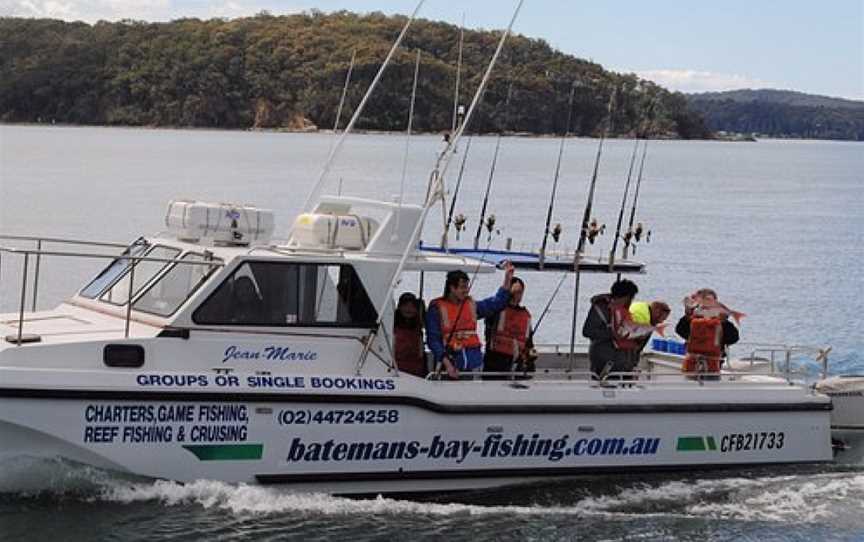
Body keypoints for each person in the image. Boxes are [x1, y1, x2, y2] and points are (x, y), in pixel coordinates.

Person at [426, 262, 514, 379]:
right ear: (452, 288)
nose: (466, 291)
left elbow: (496, 303)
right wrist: (447, 364)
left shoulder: (471, 305)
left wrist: (507, 278)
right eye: (462, 287)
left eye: (467, 287)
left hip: (473, 364)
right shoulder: (436, 309)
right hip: (450, 366)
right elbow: (433, 340)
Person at [583, 279, 660, 377]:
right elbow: (588, 331)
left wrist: (639, 337)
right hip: (605, 361)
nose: (630, 301)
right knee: (606, 388)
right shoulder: (601, 309)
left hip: (626, 362)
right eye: (630, 298)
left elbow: (629, 335)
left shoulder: (625, 311)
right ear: (626, 297)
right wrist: (613, 334)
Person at [676, 288, 740, 375]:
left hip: (714, 364)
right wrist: (687, 316)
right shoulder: (693, 319)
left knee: (711, 382)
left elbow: (733, 338)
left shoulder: (721, 322)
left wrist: (724, 322)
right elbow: (680, 330)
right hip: (692, 362)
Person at [483, 276, 537, 378]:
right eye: (515, 292)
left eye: (520, 292)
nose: (517, 295)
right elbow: (488, 328)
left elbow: (529, 341)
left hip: (518, 363)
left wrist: (529, 356)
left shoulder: (525, 315)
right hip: (496, 362)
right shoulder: (497, 310)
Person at [393, 293, 427, 378]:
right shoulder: (392, 323)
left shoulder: (419, 321)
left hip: (417, 368)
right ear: (399, 307)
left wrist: (423, 310)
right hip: (397, 366)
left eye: (412, 306)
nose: (409, 309)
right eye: (405, 306)